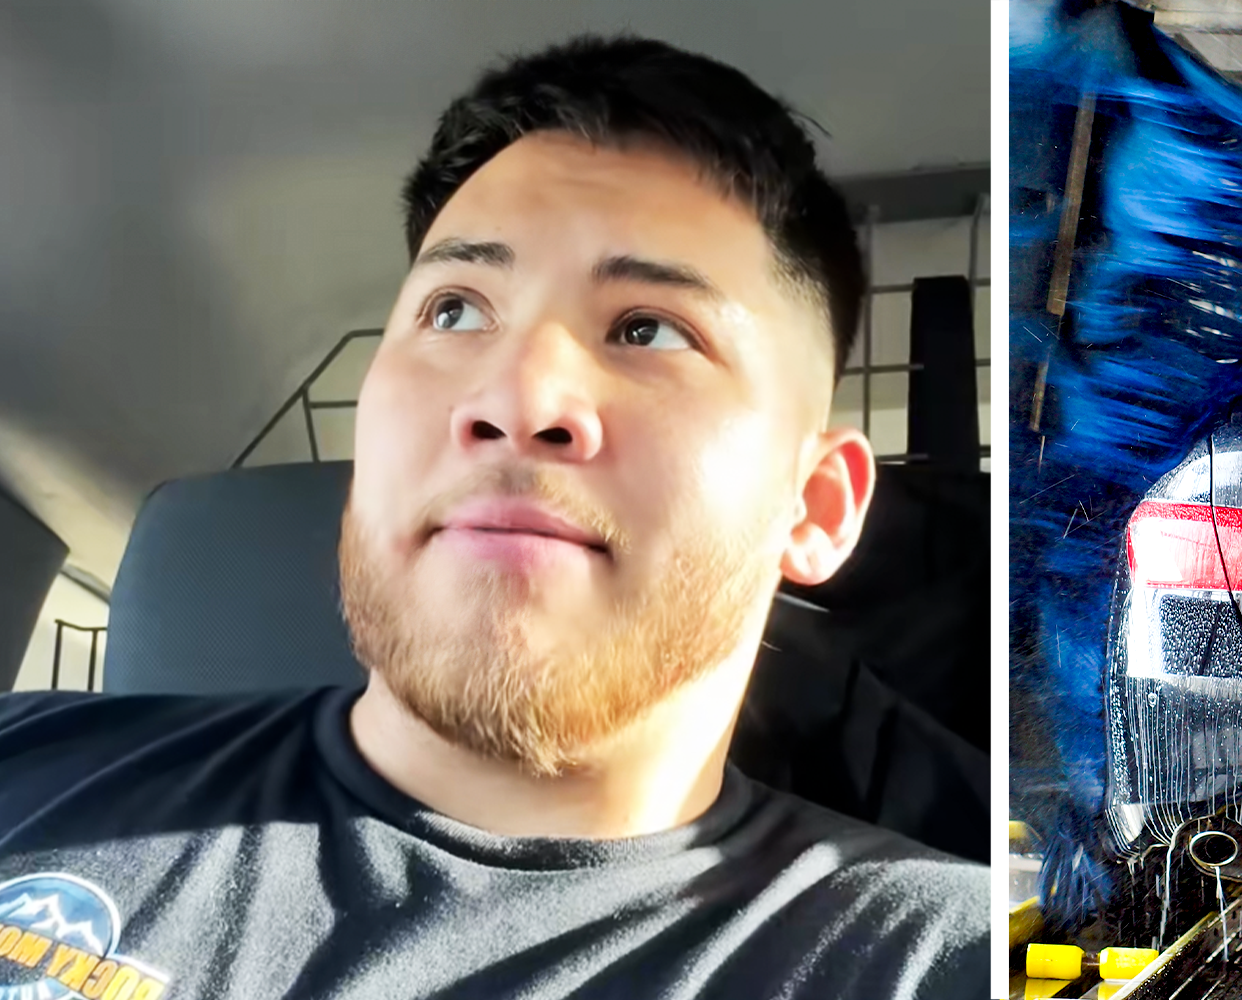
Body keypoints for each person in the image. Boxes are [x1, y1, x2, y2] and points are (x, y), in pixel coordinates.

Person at [0, 35, 987, 1000]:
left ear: (812, 506)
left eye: (649, 327)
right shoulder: (27, 763)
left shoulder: (949, 954)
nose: (515, 396)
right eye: (455, 310)